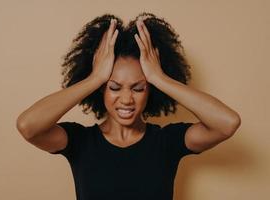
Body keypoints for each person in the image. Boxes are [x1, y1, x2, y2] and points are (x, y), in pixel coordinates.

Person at [16, 12, 241, 200]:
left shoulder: (166, 142)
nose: (126, 99)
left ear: (150, 90)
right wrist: (95, 78)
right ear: (101, 90)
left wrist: (158, 77)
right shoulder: (80, 142)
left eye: (138, 88)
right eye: (114, 87)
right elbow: (28, 125)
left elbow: (227, 123)